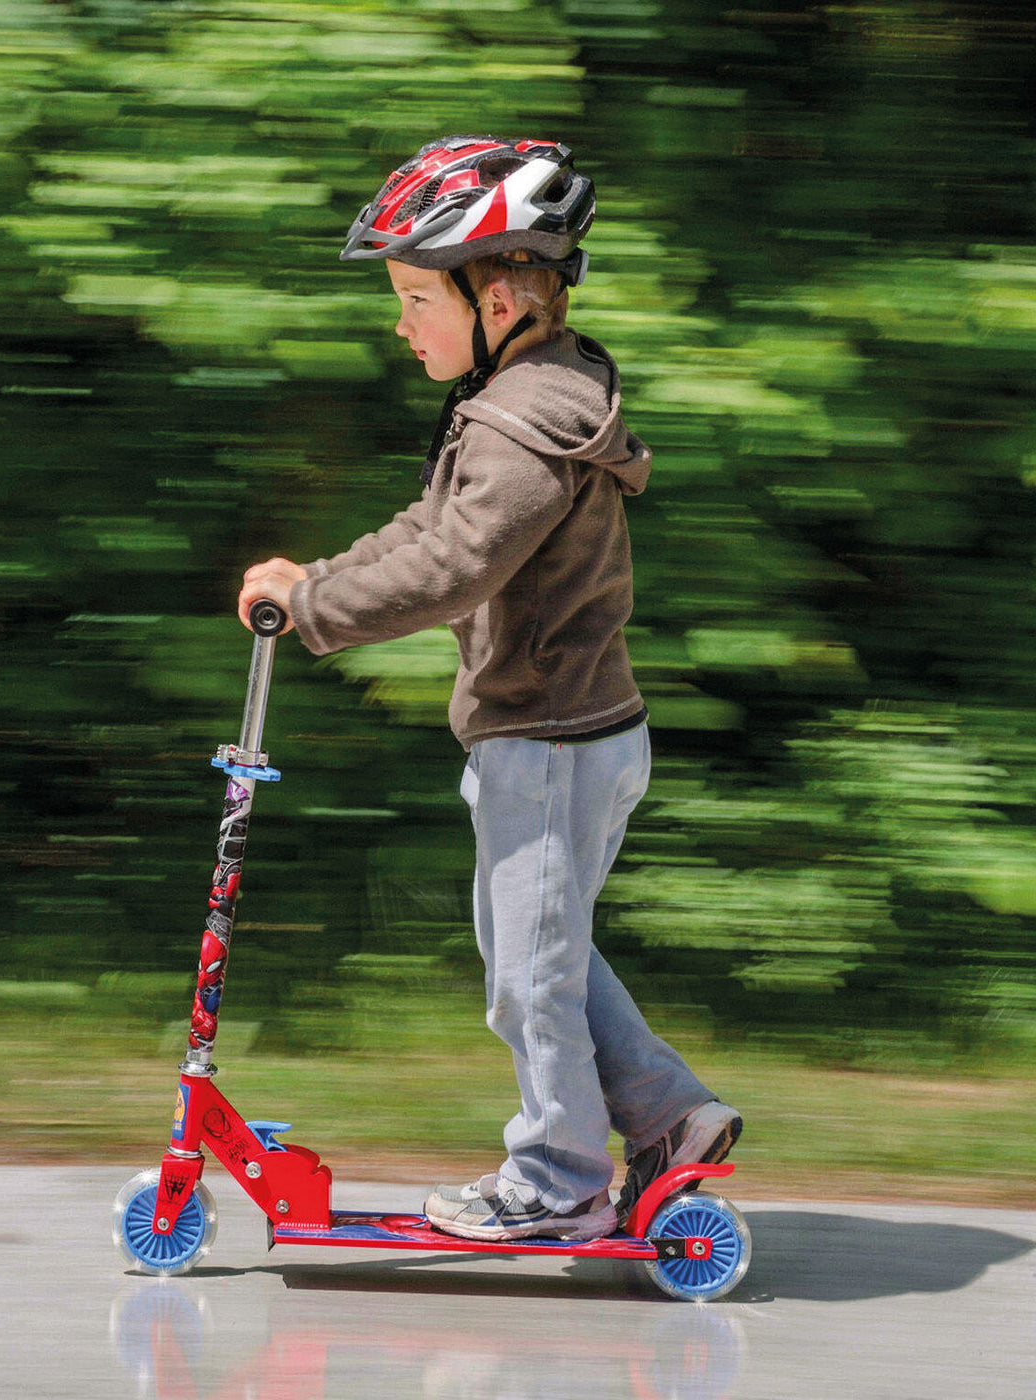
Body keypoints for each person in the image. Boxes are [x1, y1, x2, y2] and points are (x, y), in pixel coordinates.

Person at [237, 135, 741, 1243]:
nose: (401, 322)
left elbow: (453, 566)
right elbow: (429, 529)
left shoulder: (521, 426)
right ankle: (667, 1115)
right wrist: (314, 579)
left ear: (501, 294)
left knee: (528, 974)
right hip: (550, 732)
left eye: (416, 296)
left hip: (552, 738)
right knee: (540, 955)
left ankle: (556, 1180)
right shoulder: (520, 397)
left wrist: (315, 613)